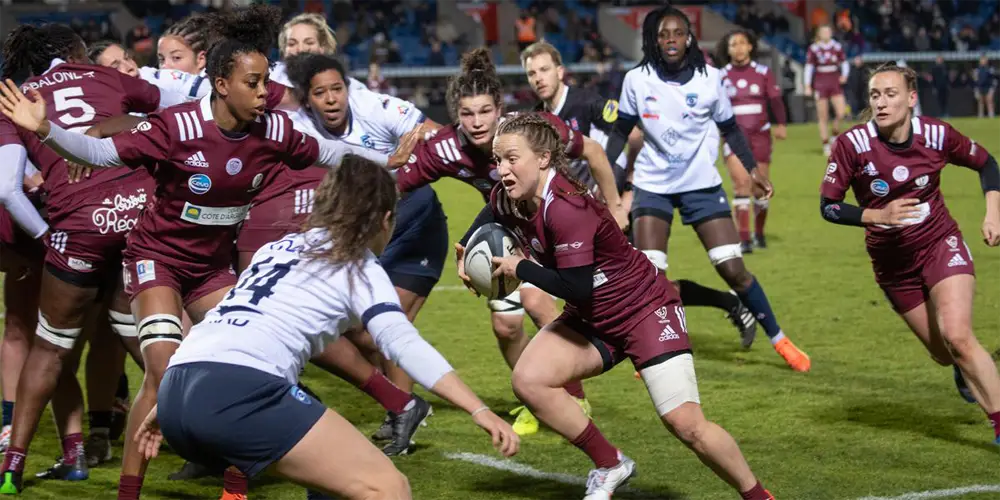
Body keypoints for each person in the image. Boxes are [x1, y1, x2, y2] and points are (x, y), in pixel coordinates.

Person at [0, 5, 394, 499]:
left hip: (205, 266)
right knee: (162, 372)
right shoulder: (175, 125)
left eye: (264, 83)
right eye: (254, 83)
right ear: (221, 83)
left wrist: (391, 160)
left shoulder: (270, 128)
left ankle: (229, 476)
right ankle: (128, 480)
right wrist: (47, 132)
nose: (264, 93)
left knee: (248, 356)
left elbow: (331, 153)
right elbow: (103, 148)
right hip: (155, 257)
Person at [133, 155, 519, 500]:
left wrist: (170, 404)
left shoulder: (277, 248)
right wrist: (478, 408)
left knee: (331, 482)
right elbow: (402, 344)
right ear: (386, 219)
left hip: (180, 388)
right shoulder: (360, 266)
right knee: (389, 488)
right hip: (238, 393)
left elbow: (226, 324)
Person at [457, 112, 774, 500]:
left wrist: (519, 267)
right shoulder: (509, 196)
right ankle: (610, 464)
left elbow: (574, 285)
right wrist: (466, 249)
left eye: (511, 158)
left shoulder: (566, 208)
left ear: (542, 158)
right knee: (529, 379)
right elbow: (491, 213)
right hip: (593, 315)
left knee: (687, 425)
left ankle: (759, 496)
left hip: (644, 310)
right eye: (497, 160)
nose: (502, 170)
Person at [396, 48, 621, 435]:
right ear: (455, 116)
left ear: (500, 108)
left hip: (560, 224)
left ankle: (571, 393)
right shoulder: (447, 148)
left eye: (485, 111)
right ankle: (534, 394)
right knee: (505, 327)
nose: (477, 122)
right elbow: (394, 188)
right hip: (513, 232)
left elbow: (597, 153)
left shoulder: (532, 128)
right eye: (467, 114)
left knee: (537, 301)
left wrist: (616, 206)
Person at [0, 22, 184, 490]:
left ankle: (13, 467)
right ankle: (215, 436)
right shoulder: (106, 77)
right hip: (138, 212)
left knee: (49, 345)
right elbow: (175, 112)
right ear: (74, 52)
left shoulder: (16, 98)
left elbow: (6, 189)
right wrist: (121, 127)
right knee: (144, 339)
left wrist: (47, 238)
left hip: (76, 227)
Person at [242, 52, 446, 456]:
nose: (332, 99)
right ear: (306, 98)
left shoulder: (374, 106)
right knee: (361, 333)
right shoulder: (295, 126)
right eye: (321, 93)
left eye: (338, 89)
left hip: (413, 227)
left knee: (391, 328)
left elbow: (437, 136)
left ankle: (401, 418)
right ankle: (401, 404)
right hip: (361, 233)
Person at [601, 6, 810, 370]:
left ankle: (780, 339)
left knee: (733, 269)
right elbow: (621, 131)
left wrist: (752, 170)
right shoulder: (637, 79)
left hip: (701, 185)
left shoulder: (710, 78)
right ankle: (656, 352)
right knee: (651, 278)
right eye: (663, 34)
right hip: (653, 185)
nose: (670, 40)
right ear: (654, 39)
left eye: (678, 33)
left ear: (689, 38)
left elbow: (729, 128)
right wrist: (605, 180)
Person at [523, 40, 758, 346]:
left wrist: (627, 191)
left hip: (616, 208)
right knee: (632, 285)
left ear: (560, 71)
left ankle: (704, 318)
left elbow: (635, 136)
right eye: (531, 73)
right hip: (582, 217)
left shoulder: (588, 103)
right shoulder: (537, 117)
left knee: (647, 284)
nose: (538, 78)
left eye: (544, 70)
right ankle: (719, 306)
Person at [819, 63, 1000, 442]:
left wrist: (993, 213)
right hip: (892, 265)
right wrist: (877, 215)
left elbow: (987, 164)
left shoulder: (936, 134)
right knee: (943, 351)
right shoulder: (852, 144)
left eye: (890, 94)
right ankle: (958, 364)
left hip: (940, 243)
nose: (881, 103)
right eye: (874, 95)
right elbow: (829, 206)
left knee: (959, 335)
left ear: (911, 98)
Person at [716, 29, 788, 253]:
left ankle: (759, 233)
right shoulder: (720, 76)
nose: (737, 48)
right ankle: (744, 239)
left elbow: (775, 100)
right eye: (733, 44)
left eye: (741, 43)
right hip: (734, 137)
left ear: (750, 47)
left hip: (761, 136)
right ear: (727, 50)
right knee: (741, 185)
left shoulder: (763, 72)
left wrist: (781, 124)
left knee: (760, 190)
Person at [805, 25, 848, 156]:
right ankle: (825, 144)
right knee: (822, 115)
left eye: (828, 31)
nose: (826, 34)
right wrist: (807, 85)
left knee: (841, 112)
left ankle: (834, 133)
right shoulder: (814, 48)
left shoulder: (837, 47)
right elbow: (809, 67)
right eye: (823, 31)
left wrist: (844, 75)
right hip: (820, 81)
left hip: (834, 79)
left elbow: (844, 62)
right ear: (819, 34)